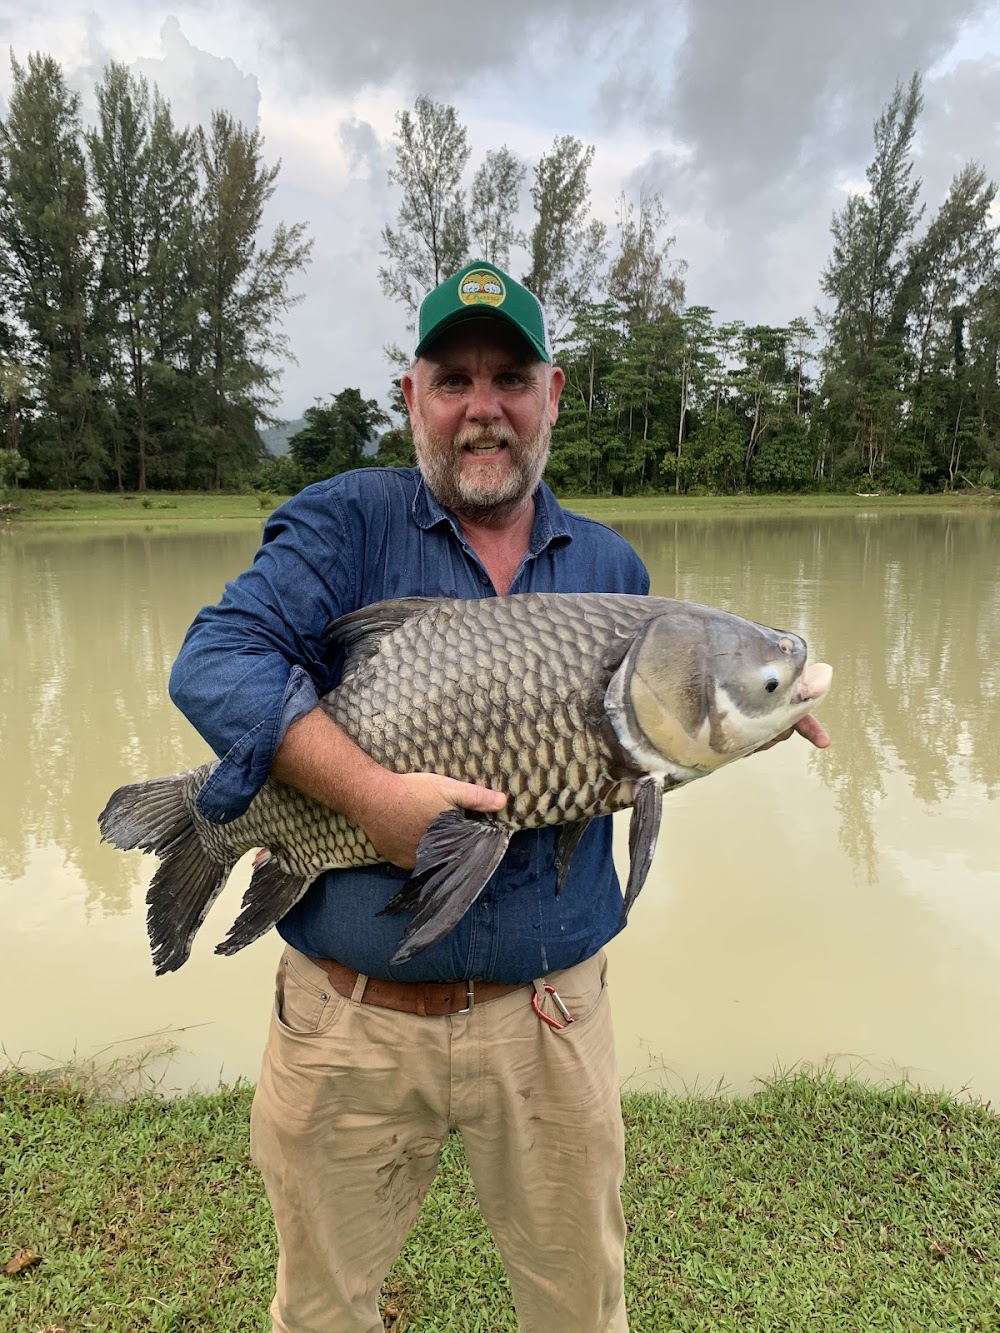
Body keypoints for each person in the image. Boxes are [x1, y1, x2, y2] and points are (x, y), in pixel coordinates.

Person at [169, 261, 829, 1333]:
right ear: (412, 396)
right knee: (321, 1310)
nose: (484, 408)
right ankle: (200, 830)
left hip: (550, 1017)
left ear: (551, 394)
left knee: (579, 1309)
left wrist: (745, 717)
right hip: (350, 1019)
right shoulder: (344, 527)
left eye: (510, 378)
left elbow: (644, 746)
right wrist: (373, 799)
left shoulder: (613, 570)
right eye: (455, 379)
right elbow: (214, 661)